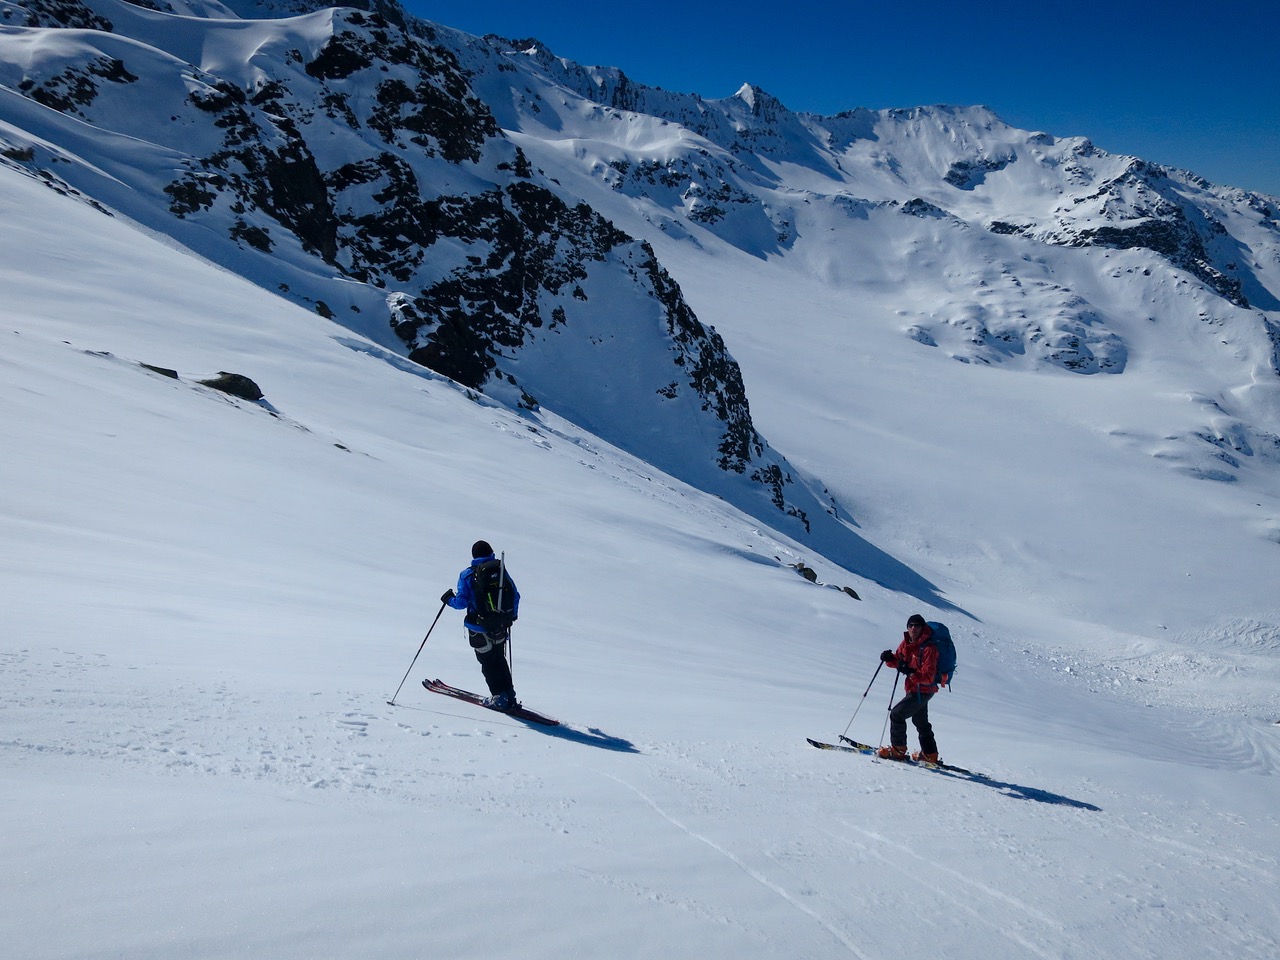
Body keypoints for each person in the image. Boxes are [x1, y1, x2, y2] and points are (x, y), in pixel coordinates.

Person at [440, 540, 520, 710]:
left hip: (477, 629)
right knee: (499, 660)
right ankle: (510, 695)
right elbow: (515, 595)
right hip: (499, 627)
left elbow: (461, 602)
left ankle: (499, 698)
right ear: (491, 552)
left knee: (488, 663)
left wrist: (448, 599)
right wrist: (511, 616)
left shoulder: (467, 574)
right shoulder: (500, 570)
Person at [877, 614, 942, 762]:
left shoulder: (929, 648)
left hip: (923, 690)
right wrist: (889, 658)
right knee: (920, 722)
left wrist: (910, 672)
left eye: (917, 625)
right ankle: (930, 755)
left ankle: (898, 750)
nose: (913, 628)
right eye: (911, 625)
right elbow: (900, 661)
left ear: (922, 627)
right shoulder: (907, 642)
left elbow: (929, 677)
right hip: (915, 689)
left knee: (896, 714)